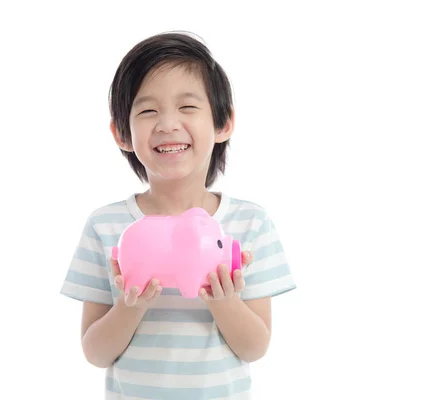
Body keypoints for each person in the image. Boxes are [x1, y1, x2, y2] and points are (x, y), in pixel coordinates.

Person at [60, 31, 296, 399]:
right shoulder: (105, 226)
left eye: (187, 107)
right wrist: (129, 306)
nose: (168, 124)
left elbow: (255, 348)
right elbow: (95, 352)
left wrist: (224, 301)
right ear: (121, 133)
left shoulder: (251, 224)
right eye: (148, 110)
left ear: (223, 123)